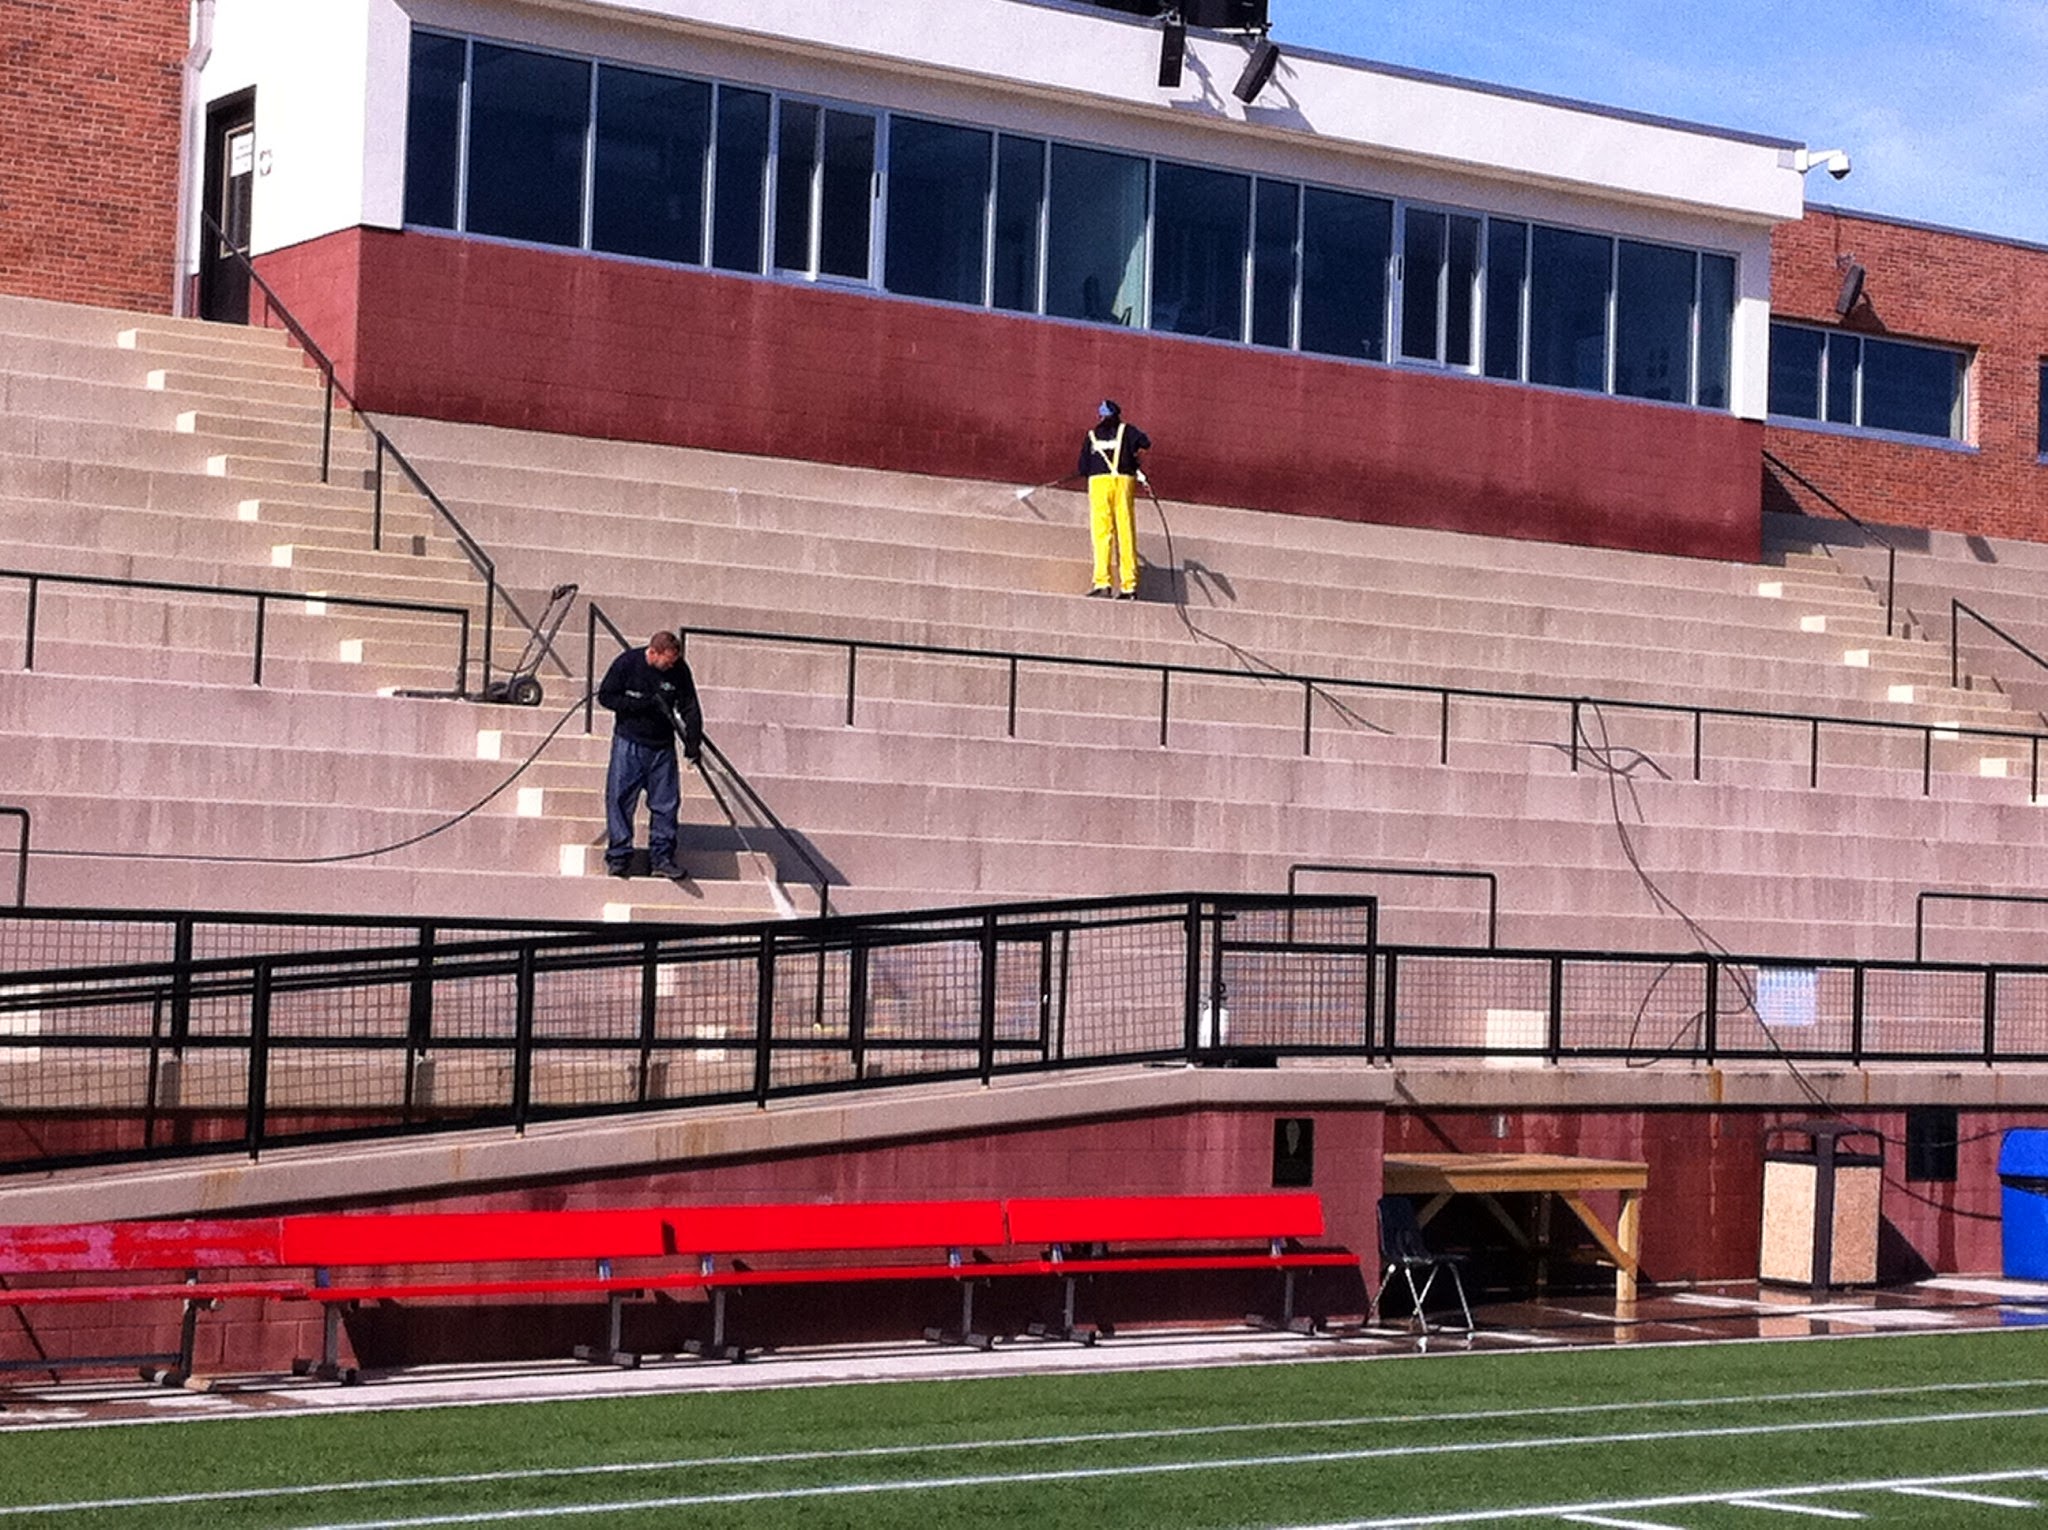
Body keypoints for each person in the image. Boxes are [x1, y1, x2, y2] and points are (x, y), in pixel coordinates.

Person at [597, 631, 702, 879]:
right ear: (653, 652)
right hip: (629, 743)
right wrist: (641, 705)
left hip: (662, 747)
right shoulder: (627, 663)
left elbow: (690, 706)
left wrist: (693, 743)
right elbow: (606, 696)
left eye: (674, 661)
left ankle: (662, 858)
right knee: (620, 799)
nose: (671, 666)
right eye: (667, 661)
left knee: (666, 804)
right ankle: (619, 856)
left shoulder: (679, 671)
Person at [1077, 398, 1150, 599]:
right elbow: (1146, 443)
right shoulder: (1128, 431)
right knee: (1125, 533)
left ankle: (1103, 583)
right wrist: (1132, 454)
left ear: (1100, 416)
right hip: (1123, 482)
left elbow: (1082, 468)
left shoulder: (1091, 436)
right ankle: (1129, 586)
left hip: (1099, 483)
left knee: (1102, 535)